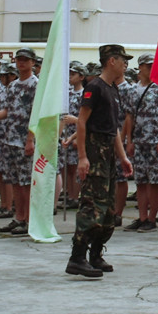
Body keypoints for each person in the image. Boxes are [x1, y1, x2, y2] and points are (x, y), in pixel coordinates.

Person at [65, 44, 129, 279]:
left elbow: (114, 129)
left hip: (108, 153)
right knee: (92, 205)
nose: (125, 64)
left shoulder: (113, 89)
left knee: (108, 209)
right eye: (123, 60)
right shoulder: (95, 87)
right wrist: (83, 157)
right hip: (95, 151)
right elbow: (82, 122)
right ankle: (77, 257)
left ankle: (95, 254)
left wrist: (122, 157)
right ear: (111, 60)